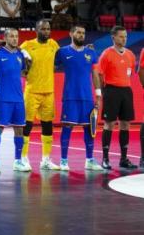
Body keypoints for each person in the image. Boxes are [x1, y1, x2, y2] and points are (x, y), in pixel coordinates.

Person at [55, 25, 106, 171]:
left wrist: (98, 94)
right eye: (78, 32)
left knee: (89, 128)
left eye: (83, 33)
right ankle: (64, 161)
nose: (81, 35)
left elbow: (95, 74)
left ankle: (89, 160)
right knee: (67, 127)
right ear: (71, 33)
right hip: (70, 96)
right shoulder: (62, 52)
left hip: (87, 98)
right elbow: (50, 67)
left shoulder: (91, 52)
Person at [19, 19, 61, 171]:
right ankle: (22, 158)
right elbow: (17, 58)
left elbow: (63, 56)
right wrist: (23, 67)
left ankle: (46, 159)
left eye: (48, 29)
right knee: (26, 126)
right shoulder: (27, 45)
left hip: (48, 91)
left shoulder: (54, 45)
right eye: (43, 29)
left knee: (47, 126)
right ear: (36, 30)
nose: (46, 32)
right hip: (32, 91)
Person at [0, 28, 31, 172]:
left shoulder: (20, 54)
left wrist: (27, 58)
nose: (15, 39)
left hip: (18, 98)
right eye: (11, 36)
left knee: (19, 130)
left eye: (16, 36)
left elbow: (25, 72)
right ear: (5, 38)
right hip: (3, 98)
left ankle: (18, 161)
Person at [99, 26, 138, 169]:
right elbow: (99, 74)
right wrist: (103, 92)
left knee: (125, 124)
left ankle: (124, 158)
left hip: (126, 91)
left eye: (125, 36)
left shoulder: (131, 55)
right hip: (111, 90)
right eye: (121, 36)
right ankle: (105, 159)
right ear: (113, 38)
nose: (124, 39)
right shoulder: (106, 54)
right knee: (109, 123)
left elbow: (130, 73)